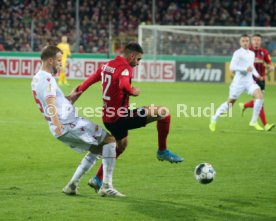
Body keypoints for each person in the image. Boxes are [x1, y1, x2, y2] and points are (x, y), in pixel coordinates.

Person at [69, 42, 183, 191]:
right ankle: (162, 151)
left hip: (108, 118)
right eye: (138, 59)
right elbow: (124, 85)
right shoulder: (125, 68)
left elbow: (89, 81)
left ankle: (98, 179)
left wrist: (75, 94)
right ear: (132, 55)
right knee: (163, 113)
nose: (137, 63)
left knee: (121, 146)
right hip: (121, 116)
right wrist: (133, 91)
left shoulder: (107, 65)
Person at [31, 45, 124, 197]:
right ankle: (106, 186)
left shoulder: (36, 79)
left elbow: (51, 104)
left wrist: (69, 99)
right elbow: (50, 102)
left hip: (60, 126)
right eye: (59, 60)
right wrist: (58, 123)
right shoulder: (47, 79)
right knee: (110, 141)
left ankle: (72, 185)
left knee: (97, 148)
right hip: (68, 124)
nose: (61, 63)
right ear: (50, 60)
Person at [209, 34, 264, 132]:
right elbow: (232, 67)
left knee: (259, 96)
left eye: (247, 41)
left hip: (249, 82)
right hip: (238, 83)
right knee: (230, 104)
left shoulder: (251, 53)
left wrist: (257, 75)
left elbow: (251, 67)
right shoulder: (237, 53)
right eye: (243, 41)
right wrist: (245, 69)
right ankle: (214, 118)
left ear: (249, 42)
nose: (245, 42)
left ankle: (254, 121)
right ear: (240, 42)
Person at [239, 34, 275, 131]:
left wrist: (271, 67)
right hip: (250, 81)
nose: (256, 41)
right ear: (251, 41)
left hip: (261, 80)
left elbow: (270, 63)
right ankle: (266, 125)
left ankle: (244, 105)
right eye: (254, 40)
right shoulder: (247, 52)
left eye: (258, 40)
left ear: (260, 41)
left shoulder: (264, 52)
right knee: (260, 101)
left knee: (258, 101)